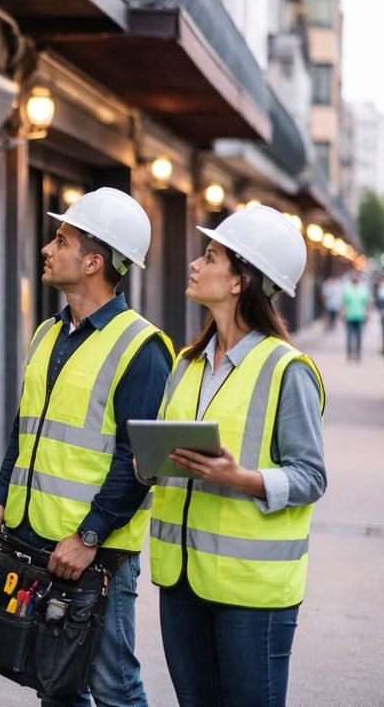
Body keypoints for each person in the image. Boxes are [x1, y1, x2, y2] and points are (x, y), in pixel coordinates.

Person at [0, 188, 172, 707]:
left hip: (95, 553)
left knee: (113, 685)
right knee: (53, 681)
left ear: (93, 261)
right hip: (35, 536)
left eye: (61, 239)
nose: (46, 248)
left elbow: (140, 461)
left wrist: (89, 535)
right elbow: (25, 431)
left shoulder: (141, 348)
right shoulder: (47, 333)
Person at [148, 205, 326, 706]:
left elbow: (311, 476)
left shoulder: (286, 370)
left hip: (252, 593)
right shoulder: (186, 363)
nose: (194, 265)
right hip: (181, 578)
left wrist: (243, 479)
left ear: (239, 281)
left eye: (209, 257)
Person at [341, 272, 371, 361]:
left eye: (357, 276)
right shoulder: (347, 288)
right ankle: (349, 353)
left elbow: (366, 303)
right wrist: (343, 314)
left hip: (360, 316)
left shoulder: (363, 288)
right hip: (349, 316)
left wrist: (368, 314)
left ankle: (358, 353)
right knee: (349, 336)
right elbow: (344, 303)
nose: (355, 278)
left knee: (359, 336)